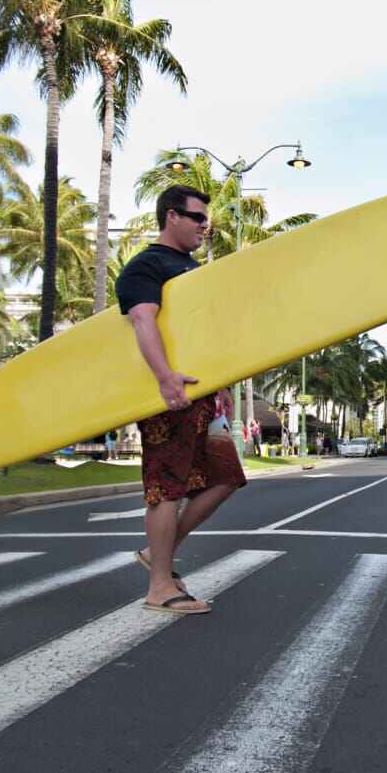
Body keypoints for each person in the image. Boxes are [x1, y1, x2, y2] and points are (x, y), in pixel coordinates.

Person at [116, 185, 246, 616]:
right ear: (172, 216)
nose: (204, 228)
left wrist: (221, 383)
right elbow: (141, 320)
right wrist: (165, 377)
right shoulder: (146, 265)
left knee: (226, 477)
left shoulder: (188, 267)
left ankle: (159, 554)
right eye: (197, 219)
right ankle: (159, 587)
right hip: (170, 392)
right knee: (166, 488)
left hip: (202, 391)